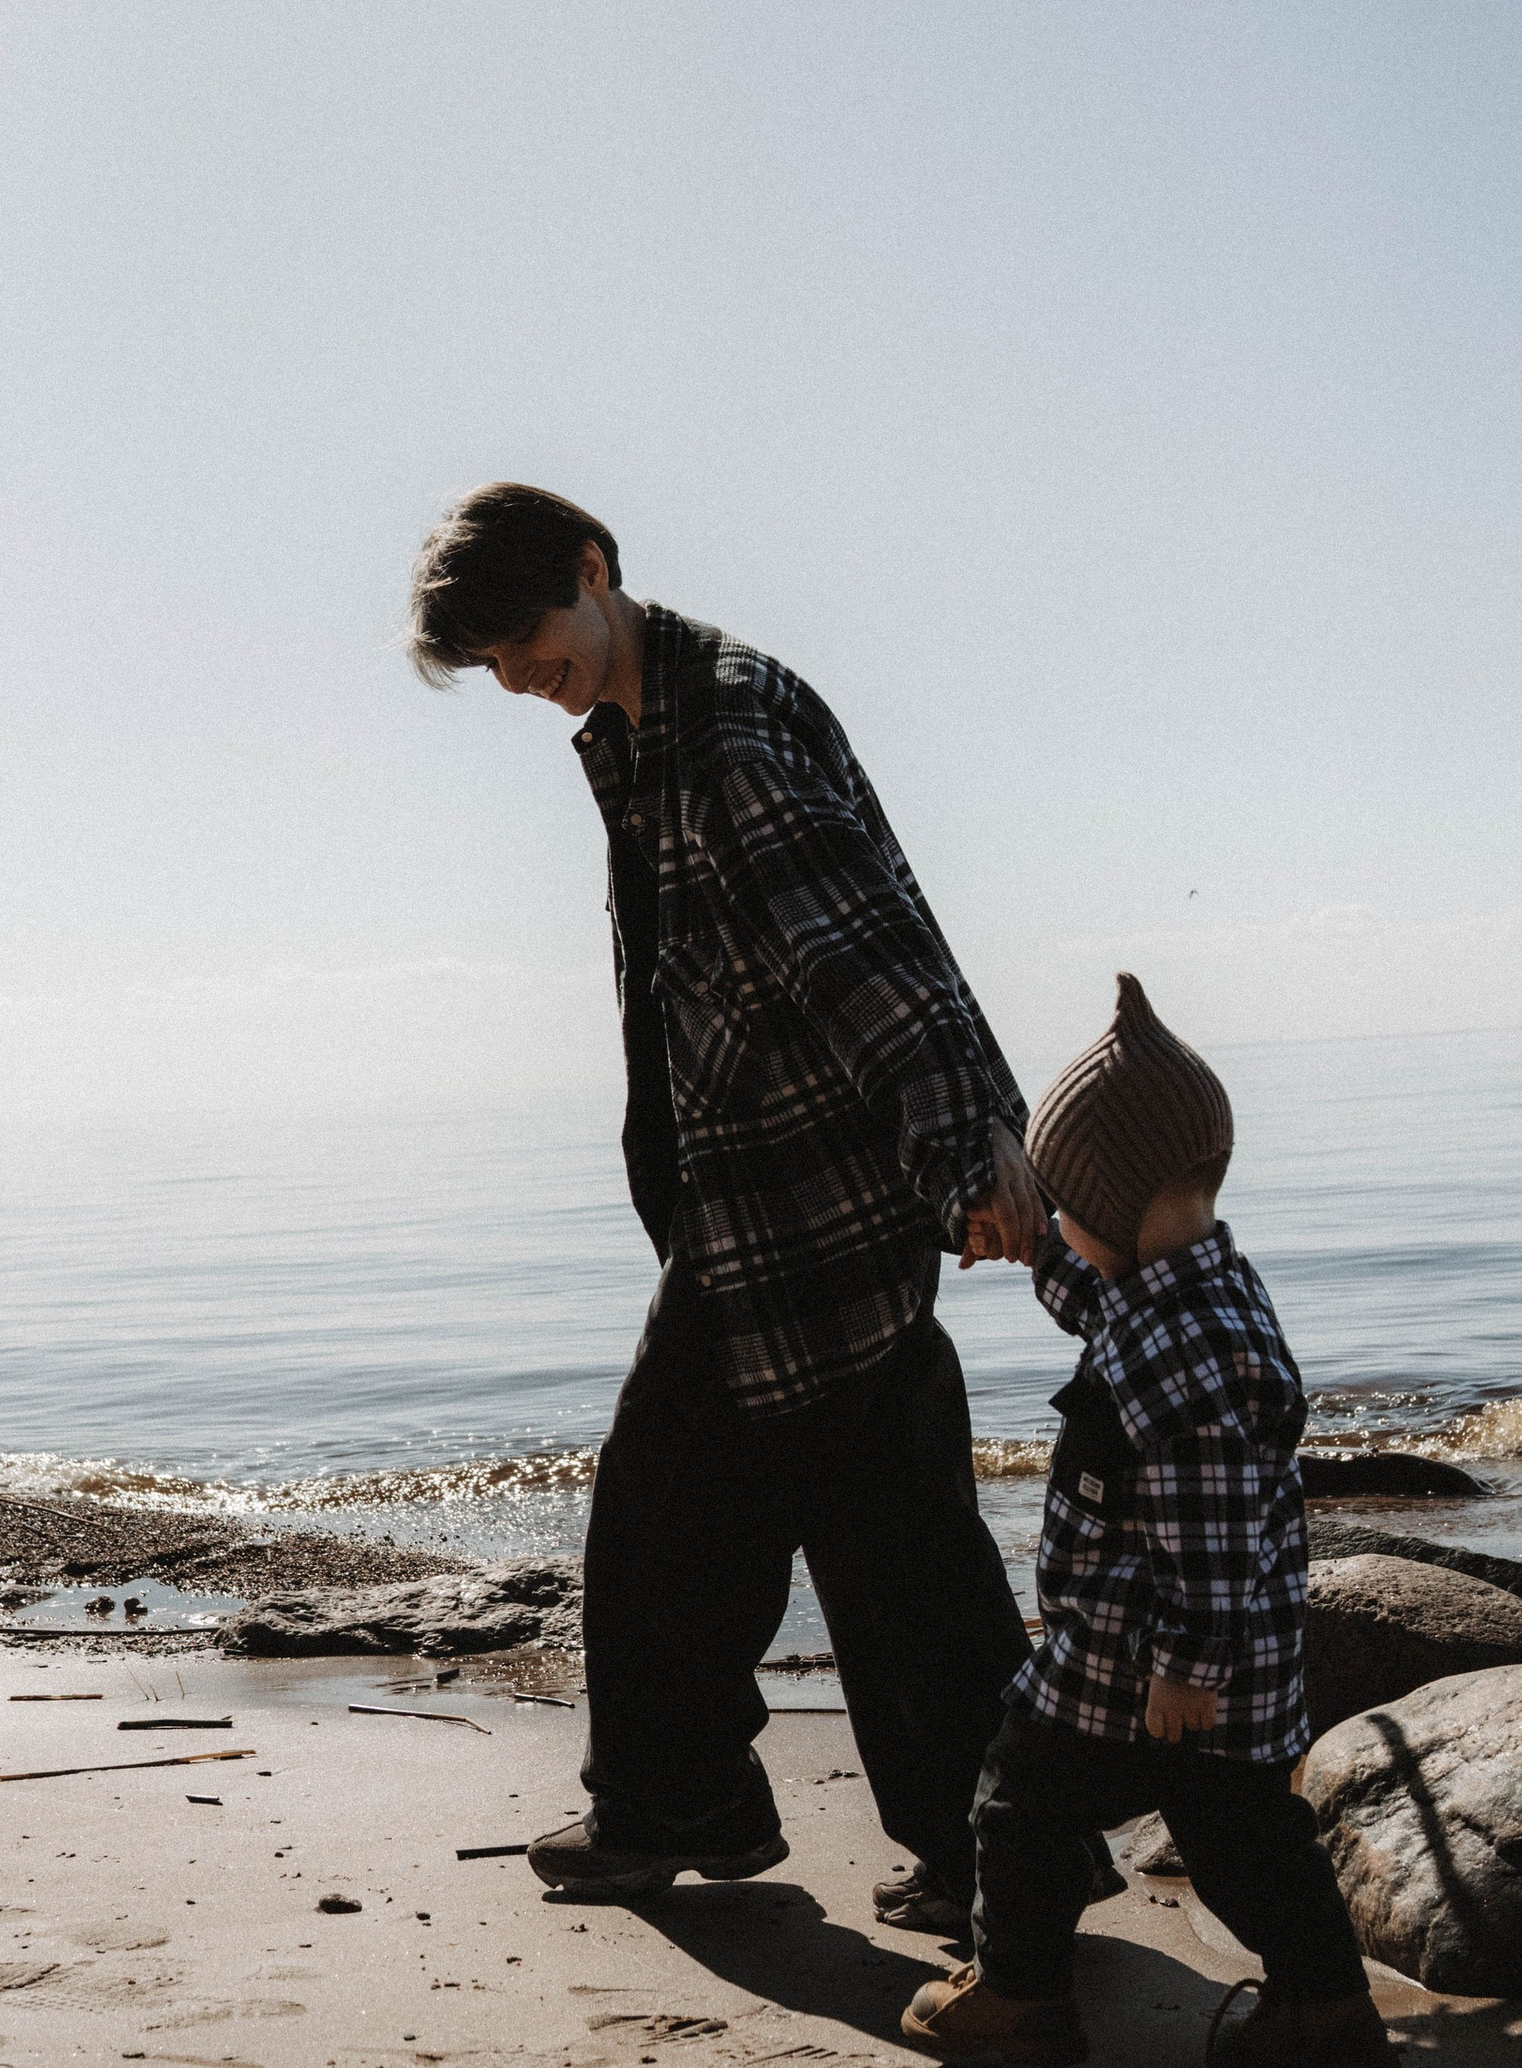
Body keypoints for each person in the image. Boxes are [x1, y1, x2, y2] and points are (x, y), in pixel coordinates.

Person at [406, 479, 1063, 1931]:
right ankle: (995, 1849)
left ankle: (691, 1805)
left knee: (679, 1520)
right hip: (766, 1198)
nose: (515, 677)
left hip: (803, 1210)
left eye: (521, 639)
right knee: (890, 1540)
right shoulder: (652, 726)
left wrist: (968, 1144)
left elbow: (869, 954)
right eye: (492, 662)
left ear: (593, 567)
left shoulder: (730, 729)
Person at [903, 973, 1393, 2068]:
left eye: (1066, 1210)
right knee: (1248, 1843)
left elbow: (1211, 1536)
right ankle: (1325, 2005)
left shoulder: (1184, 1352)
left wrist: (1182, 1670)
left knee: (1018, 1798)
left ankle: (1019, 1996)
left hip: (1141, 1670)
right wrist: (1032, 1248)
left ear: (1119, 1208)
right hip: (1224, 1678)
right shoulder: (1196, 1286)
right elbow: (1098, 1298)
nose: (1063, 1228)